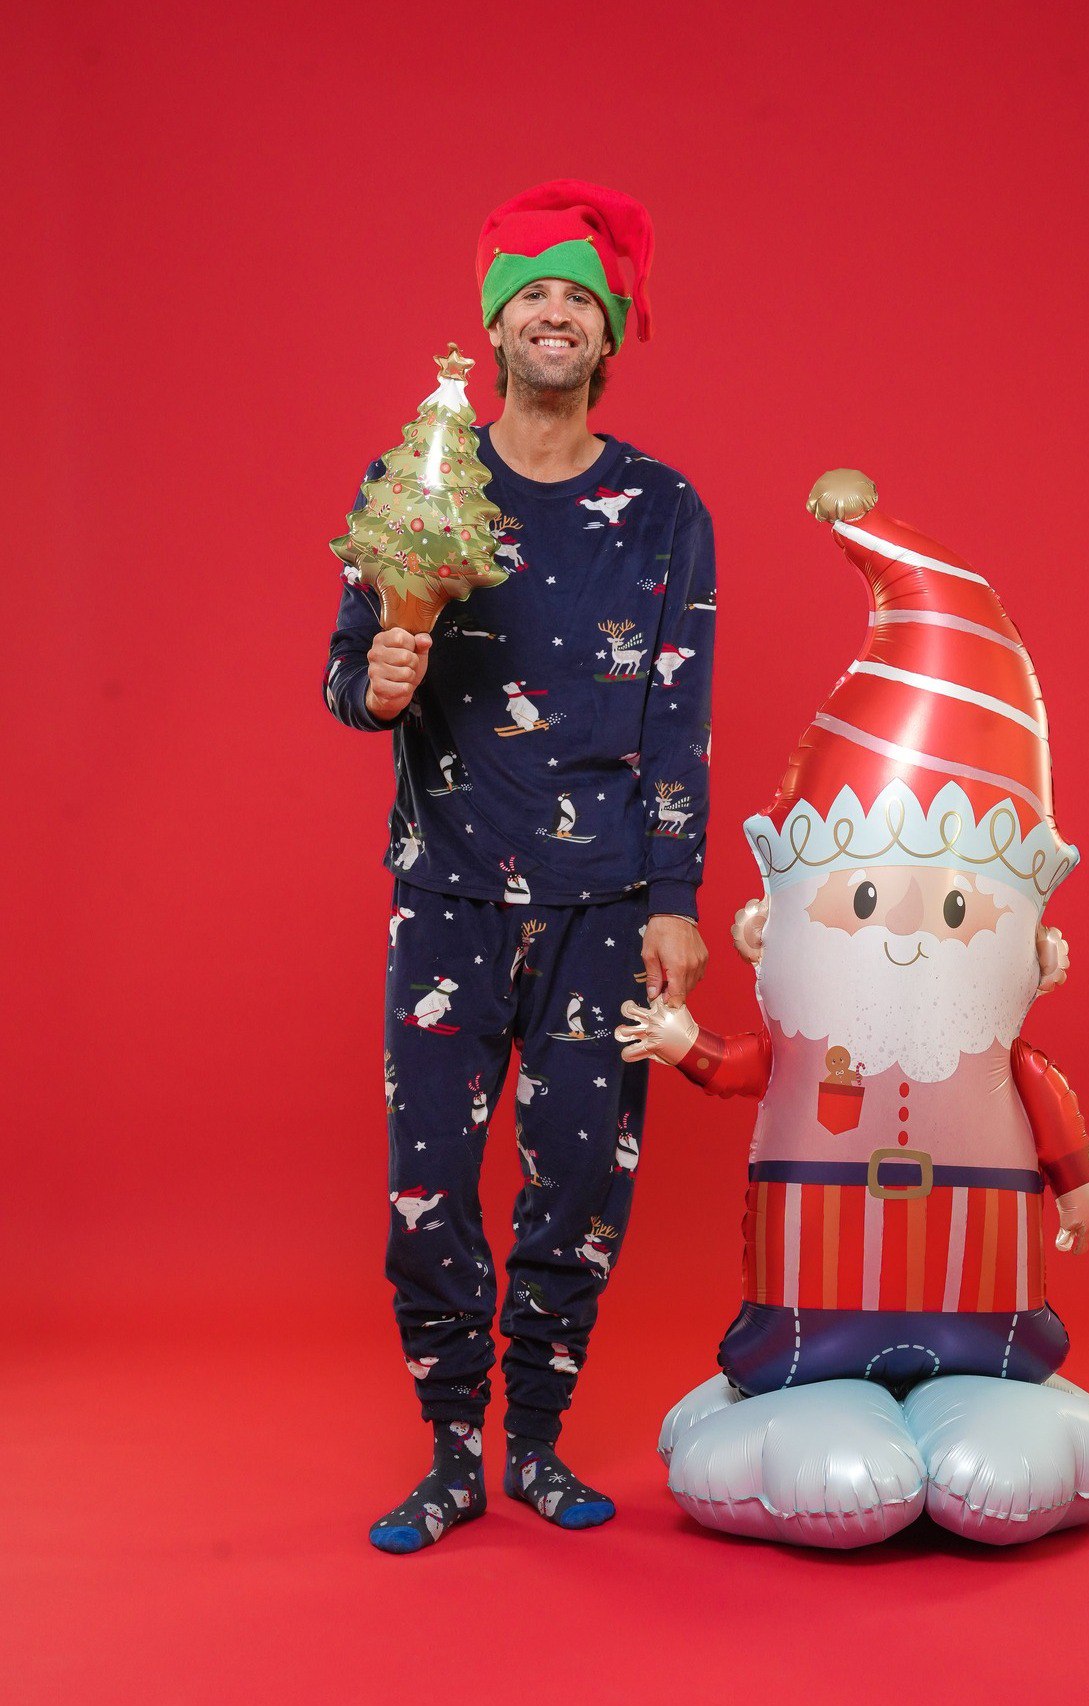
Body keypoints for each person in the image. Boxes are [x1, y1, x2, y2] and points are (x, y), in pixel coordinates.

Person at [323, 180, 714, 1551]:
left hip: (604, 904)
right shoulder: (422, 479)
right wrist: (376, 683)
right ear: (493, 326)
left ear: (609, 334)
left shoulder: (662, 507)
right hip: (444, 892)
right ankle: (450, 1453)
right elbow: (344, 677)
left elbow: (677, 714)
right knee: (427, 1185)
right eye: (531, 294)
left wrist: (675, 900)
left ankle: (536, 1443)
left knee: (580, 1187)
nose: (555, 316)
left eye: (579, 300)